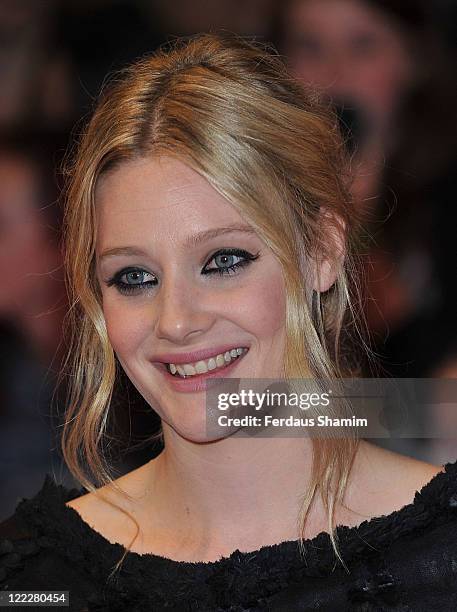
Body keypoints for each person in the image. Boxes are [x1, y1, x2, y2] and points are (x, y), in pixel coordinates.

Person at [1, 33, 456, 611]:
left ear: (321, 251)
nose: (177, 322)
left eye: (224, 262)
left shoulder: (441, 557)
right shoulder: (40, 579)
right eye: (134, 277)